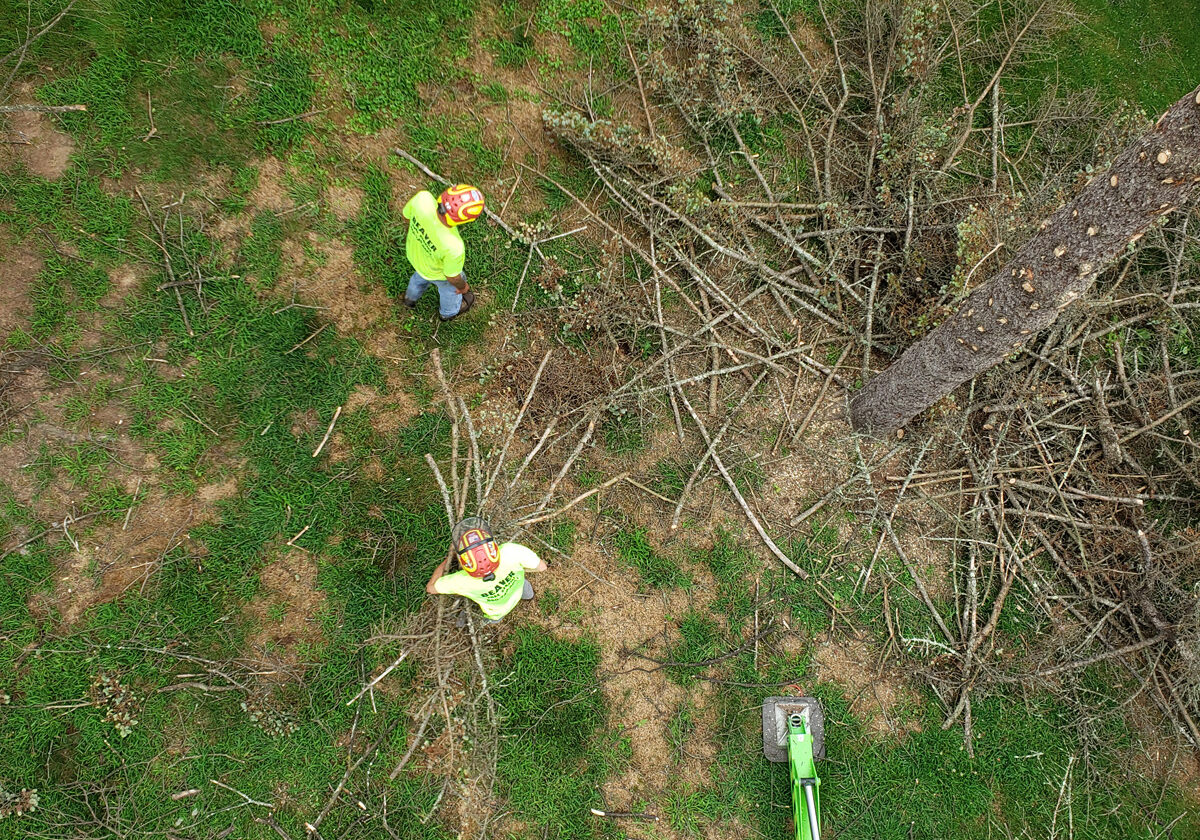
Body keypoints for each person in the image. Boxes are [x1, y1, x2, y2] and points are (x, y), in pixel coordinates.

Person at [425, 517, 546, 625]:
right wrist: (521, 569)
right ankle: (529, 596)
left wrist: (447, 561)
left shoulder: (461, 581)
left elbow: (430, 588)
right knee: (526, 589)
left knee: (490, 619)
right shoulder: (511, 552)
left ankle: (479, 624)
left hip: (496, 612)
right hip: (518, 590)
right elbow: (542, 567)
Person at [401, 184, 485, 322]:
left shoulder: (423, 199)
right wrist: (463, 287)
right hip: (437, 273)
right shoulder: (454, 246)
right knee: (450, 290)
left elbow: (407, 217)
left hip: (416, 257)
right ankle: (448, 313)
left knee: (418, 279)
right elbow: (452, 277)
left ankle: (410, 299)